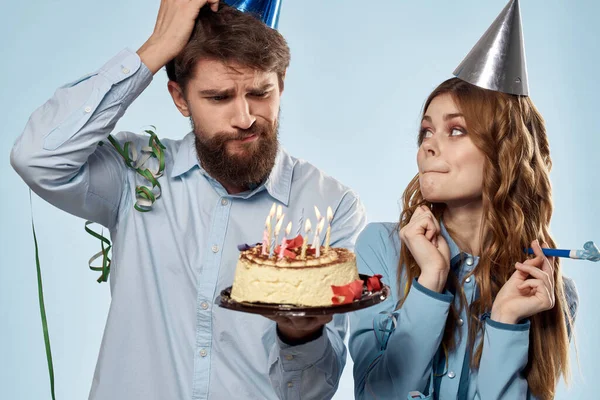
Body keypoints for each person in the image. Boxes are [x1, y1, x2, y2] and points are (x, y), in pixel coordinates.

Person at [10, 1, 365, 399]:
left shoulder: (331, 204)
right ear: (180, 98)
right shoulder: (136, 174)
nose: (245, 117)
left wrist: (301, 336)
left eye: (260, 93)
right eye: (218, 97)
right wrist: (158, 46)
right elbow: (37, 157)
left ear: (281, 83)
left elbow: (311, 393)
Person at [349, 77, 577, 400]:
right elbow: (376, 396)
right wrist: (430, 281)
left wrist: (506, 322)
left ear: (504, 150)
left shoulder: (547, 292)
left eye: (455, 130)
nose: (427, 146)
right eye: (426, 131)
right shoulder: (380, 248)